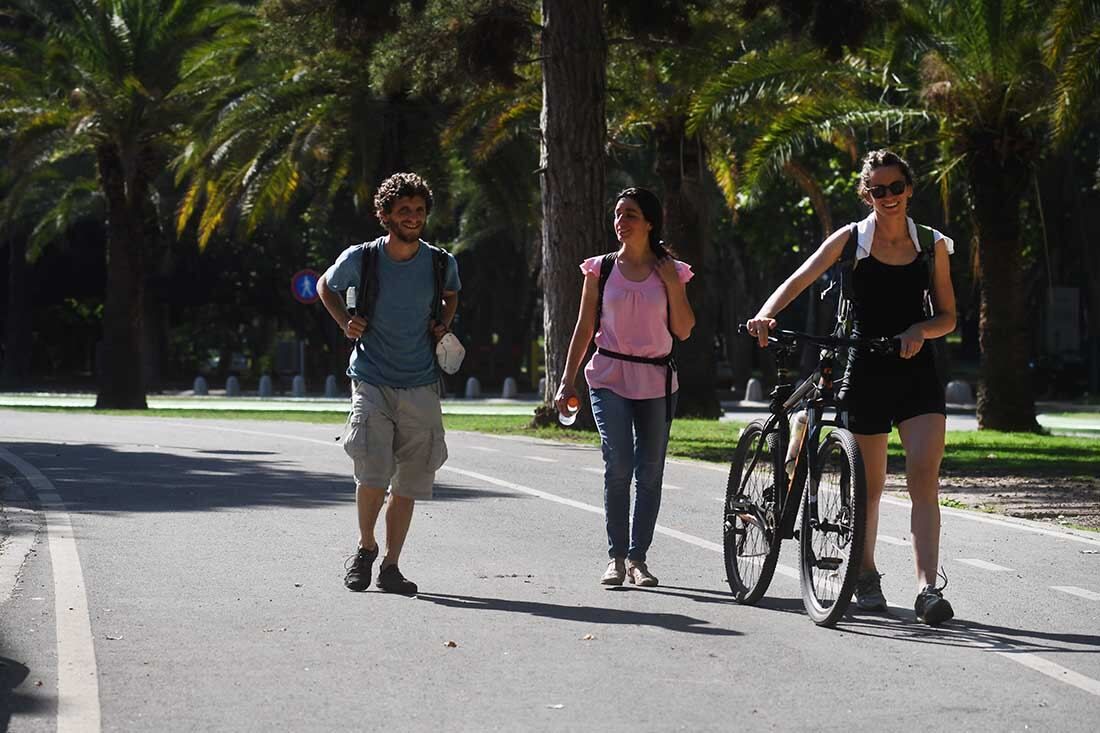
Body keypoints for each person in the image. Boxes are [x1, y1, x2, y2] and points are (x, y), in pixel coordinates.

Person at [745, 149, 957, 626]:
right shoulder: (852, 240)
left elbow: (948, 316)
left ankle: (927, 589)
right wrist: (766, 312)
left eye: (896, 188)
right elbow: (801, 277)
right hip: (865, 371)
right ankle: (865, 573)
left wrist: (921, 331)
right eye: (878, 190)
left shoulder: (932, 245)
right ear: (867, 194)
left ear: (909, 188)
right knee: (871, 486)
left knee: (925, 476)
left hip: (917, 372)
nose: (888, 198)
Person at [318, 172, 461, 595]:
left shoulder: (440, 262)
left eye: (418, 210)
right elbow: (327, 285)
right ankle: (365, 548)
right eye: (404, 211)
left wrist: (443, 326)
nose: (413, 218)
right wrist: (346, 322)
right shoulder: (361, 258)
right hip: (372, 379)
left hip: (421, 383)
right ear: (385, 216)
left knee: (410, 482)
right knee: (373, 472)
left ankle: (391, 567)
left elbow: (451, 293)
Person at [555, 187, 695, 587]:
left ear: (650, 222)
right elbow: (584, 327)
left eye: (631, 214)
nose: (621, 222)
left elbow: (684, 330)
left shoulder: (672, 271)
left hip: (657, 380)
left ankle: (638, 559)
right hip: (608, 377)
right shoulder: (600, 269)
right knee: (618, 465)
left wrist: (671, 283)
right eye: (618, 214)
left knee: (649, 472)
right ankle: (616, 558)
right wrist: (567, 378)